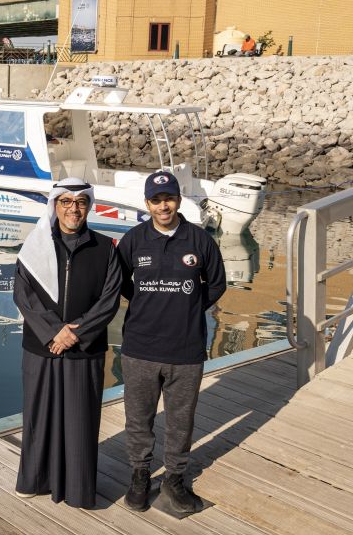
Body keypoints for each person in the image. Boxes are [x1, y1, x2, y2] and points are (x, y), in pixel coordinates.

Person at [117, 171, 226, 514]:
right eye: (156, 200)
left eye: (169, 198)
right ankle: (139, 476)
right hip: (140, 349)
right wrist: (147, 305)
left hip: (186, 350)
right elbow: (120, 283)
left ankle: (174, 479)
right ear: (147, 203)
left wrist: (189, 307)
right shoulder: (133, 240)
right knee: (138, 419)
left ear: (178, 200)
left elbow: (217, 284)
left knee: (181, 420)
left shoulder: (200, 241)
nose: (163, 206)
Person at [13, 177, 122, 509]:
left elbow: (110, 299)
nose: (74, 209)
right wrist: (53, 332)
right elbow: (23, 295)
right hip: (41, 346)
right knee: (38, 417)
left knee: (80, 420)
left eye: (80, 202)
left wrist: (75, 332)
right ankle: (34, 480)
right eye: (66, 202)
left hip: (84, 349)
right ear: (55, 205)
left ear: (88, 206)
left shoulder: (105, 248)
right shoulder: (35, 245)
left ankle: (77, 489)